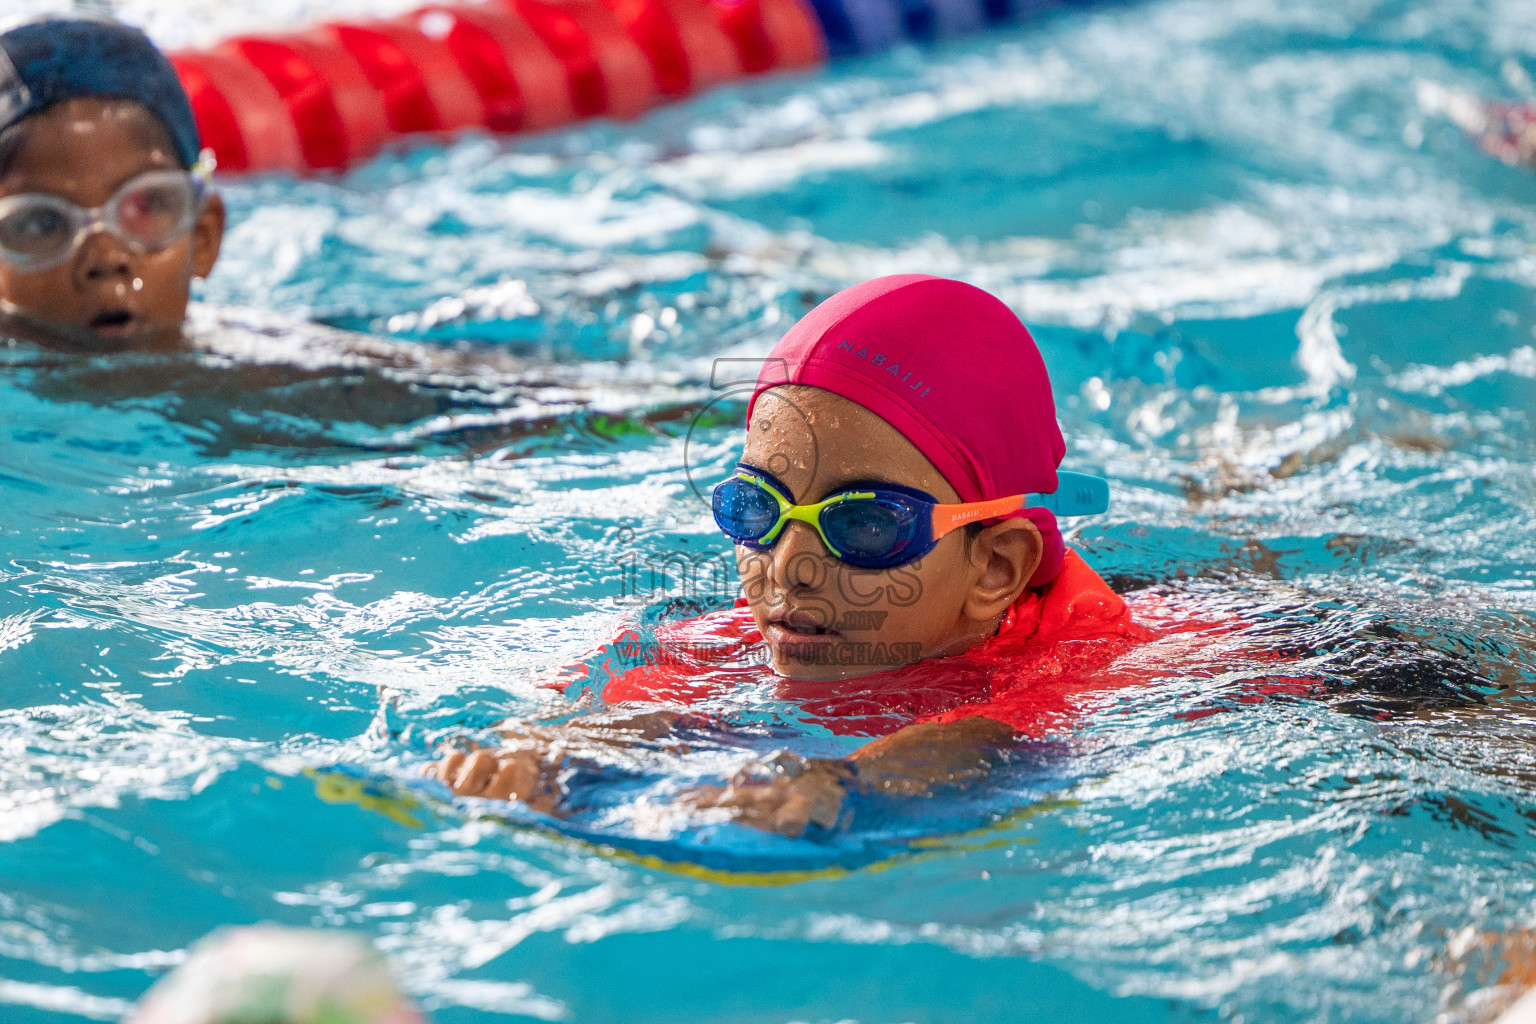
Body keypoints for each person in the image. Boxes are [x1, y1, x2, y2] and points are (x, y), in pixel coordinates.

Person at [433, 275, 1173, 836]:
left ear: (997, 568)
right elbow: (655, 707)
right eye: (757, 508)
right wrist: (552, 753)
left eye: (866, 526)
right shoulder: (735, 638)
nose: (787, 566)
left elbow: (995, 741)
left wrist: (849, 785)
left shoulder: (1092, 668)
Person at [0, 14, 224, 351]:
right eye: (41, 223)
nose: (104, 258)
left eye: (146, 204)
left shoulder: (281, 377)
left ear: (204, 237)